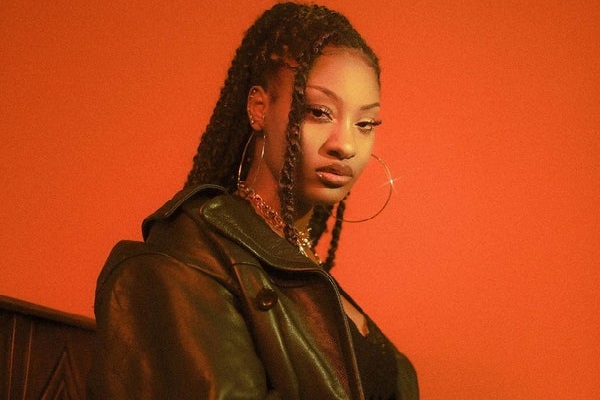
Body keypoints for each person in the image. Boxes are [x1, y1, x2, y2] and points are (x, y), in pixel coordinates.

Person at [87, 2, 418, 399]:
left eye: (365, 123)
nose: (345, 144)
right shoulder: (191, 258)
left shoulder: (301, 269)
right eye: (318, 112)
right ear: (259, 108)